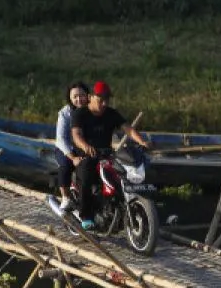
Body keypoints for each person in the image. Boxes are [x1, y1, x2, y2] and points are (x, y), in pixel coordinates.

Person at [70, 80, 150, 230]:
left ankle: (120, 207)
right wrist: (85, 146)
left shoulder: (111, 113)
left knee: (122, 175)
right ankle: (86, 215)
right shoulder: (80, 114)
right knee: (86, 177)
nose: (104, 103)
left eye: (107, 99)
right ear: (90, 97)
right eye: (101, 99)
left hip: (106, 155)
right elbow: (76, 135)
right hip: (86, 156)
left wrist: (142, 141)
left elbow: (128, 129)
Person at [54, 81, 89, 212]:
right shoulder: (65, 113)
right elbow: (61, 139)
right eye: (75, 96)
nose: (79, 99)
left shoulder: (93, 110)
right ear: (70, 98)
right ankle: (66, 197)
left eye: (82, 95)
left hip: (84, 147)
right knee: (65, 166)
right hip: (66, 149)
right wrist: (73, 157)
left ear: (87, 95)